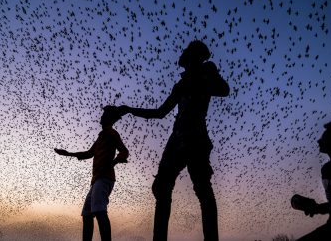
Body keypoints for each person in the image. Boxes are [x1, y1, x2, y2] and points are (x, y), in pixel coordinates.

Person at [117, 40, 230, 241]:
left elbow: (224, 90)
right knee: (162, 187)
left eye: (189, 57)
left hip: (194, 137)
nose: (184, 61)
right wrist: (129, 110)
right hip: (178, 139)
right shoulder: (182, 83)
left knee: (202, 188)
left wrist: (208, 74)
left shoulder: (204, 74)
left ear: (195, 58)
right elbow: (161, 113)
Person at [54, 106, 129, 241]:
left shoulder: (112, 133)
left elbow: (124, 151)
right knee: (87, 214)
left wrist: (114, 163)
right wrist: (68, 154)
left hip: (104, 178)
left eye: (103, 115)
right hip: (96, 180)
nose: (100, 117)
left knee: (99, 211)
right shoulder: (101, 136)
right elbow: (89, 153)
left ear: (108, 118)